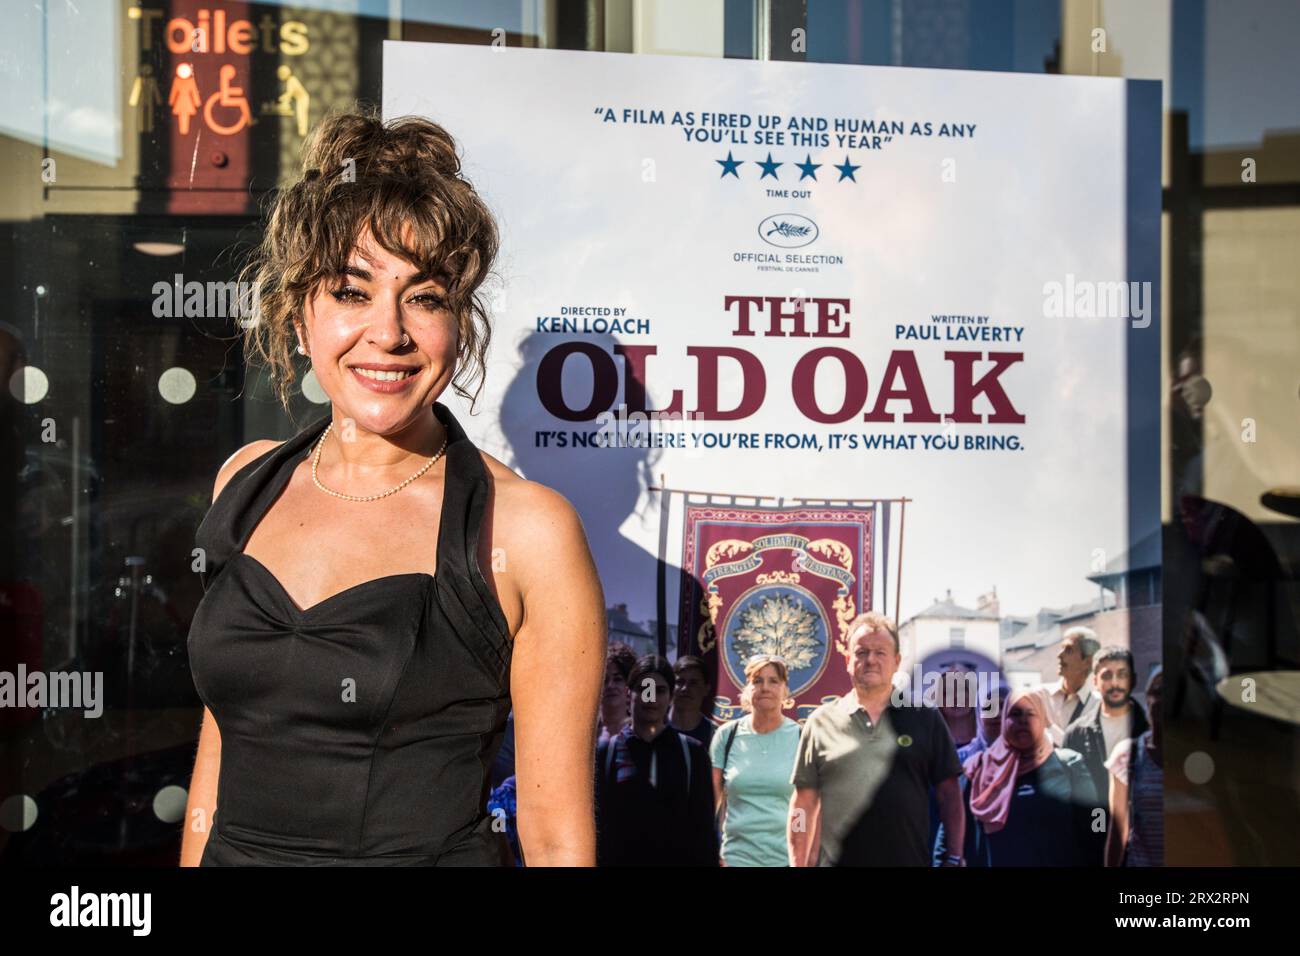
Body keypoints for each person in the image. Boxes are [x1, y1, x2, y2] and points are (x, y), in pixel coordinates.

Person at [181, 106, 606, 866]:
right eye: (352, 291)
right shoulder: (245, 482)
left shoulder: (526, 532)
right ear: (299, 310)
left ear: (458, 323)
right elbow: (222, 742)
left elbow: (554, 837)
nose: (390, 332)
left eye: (426, 296)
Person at [789, 612, 965, 867]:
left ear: (896, 661)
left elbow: (950, 794)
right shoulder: (819, 723)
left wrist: (955, 855)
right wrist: (797, 862)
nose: (870, 660)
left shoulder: (925, 718)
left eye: (880, 652)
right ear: (848, 660)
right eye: (861, 652)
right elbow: (802, 805)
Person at [595, 655, 718, 866]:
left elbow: (704, 834)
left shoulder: (693, 753)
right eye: (644, 688)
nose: (650, 698)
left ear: (670, 697)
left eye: (659, 690)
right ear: (628, 694)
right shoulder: (608, 751)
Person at [960, 687, 1099, 866]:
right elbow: (952, 828)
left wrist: (1099, 845)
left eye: (1031, 714)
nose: (1023, 721)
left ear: (1042, 720)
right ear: (1004, 721)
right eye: (1015, 714)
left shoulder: (1069, 764)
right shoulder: (978, 768)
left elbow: (1097, 813)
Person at [710, 655, 801, 867]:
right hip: (734, 859)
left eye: (773, 681)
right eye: (757, 680)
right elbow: (710, 802)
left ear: (785, 689)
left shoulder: (801, 737)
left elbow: (804, 807)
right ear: (747, 688)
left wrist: (800, 853)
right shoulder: (727, 735)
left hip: (785, 860)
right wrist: (710, 849)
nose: (765, 687)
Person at [1064, 645, 1149, 863]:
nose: (1115, 683)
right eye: (1107, 675)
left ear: (1134, 679)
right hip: (1091, 845)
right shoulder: (1075, 733)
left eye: (1122, 674)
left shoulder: (1150, 731)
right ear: (1094, 681)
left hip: (1143, 846)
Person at [1106, 667, 1164, 866]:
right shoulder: (1127, 755)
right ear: (1148, 698)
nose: (1162, 701)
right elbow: (1117, 829)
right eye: (1158, 692)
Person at [1040, 626, 1100, 745]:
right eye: (1061, 648)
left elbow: (1084, 752)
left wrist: (1049, 725)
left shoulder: (1098, 706)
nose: (1059, 655)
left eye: (1069, 650)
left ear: (1087, 662)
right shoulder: (1039, 696)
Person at [671, 654, 716, 747]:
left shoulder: (715, 735)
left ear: (706, 689)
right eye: (680, 682)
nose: (685, 688)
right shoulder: (655, 726)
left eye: (693, 683)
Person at [597, 642, 638, 745]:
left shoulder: (639, 733)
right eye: (605, 680)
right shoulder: (584, 730)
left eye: (617, 679)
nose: (610, 685)